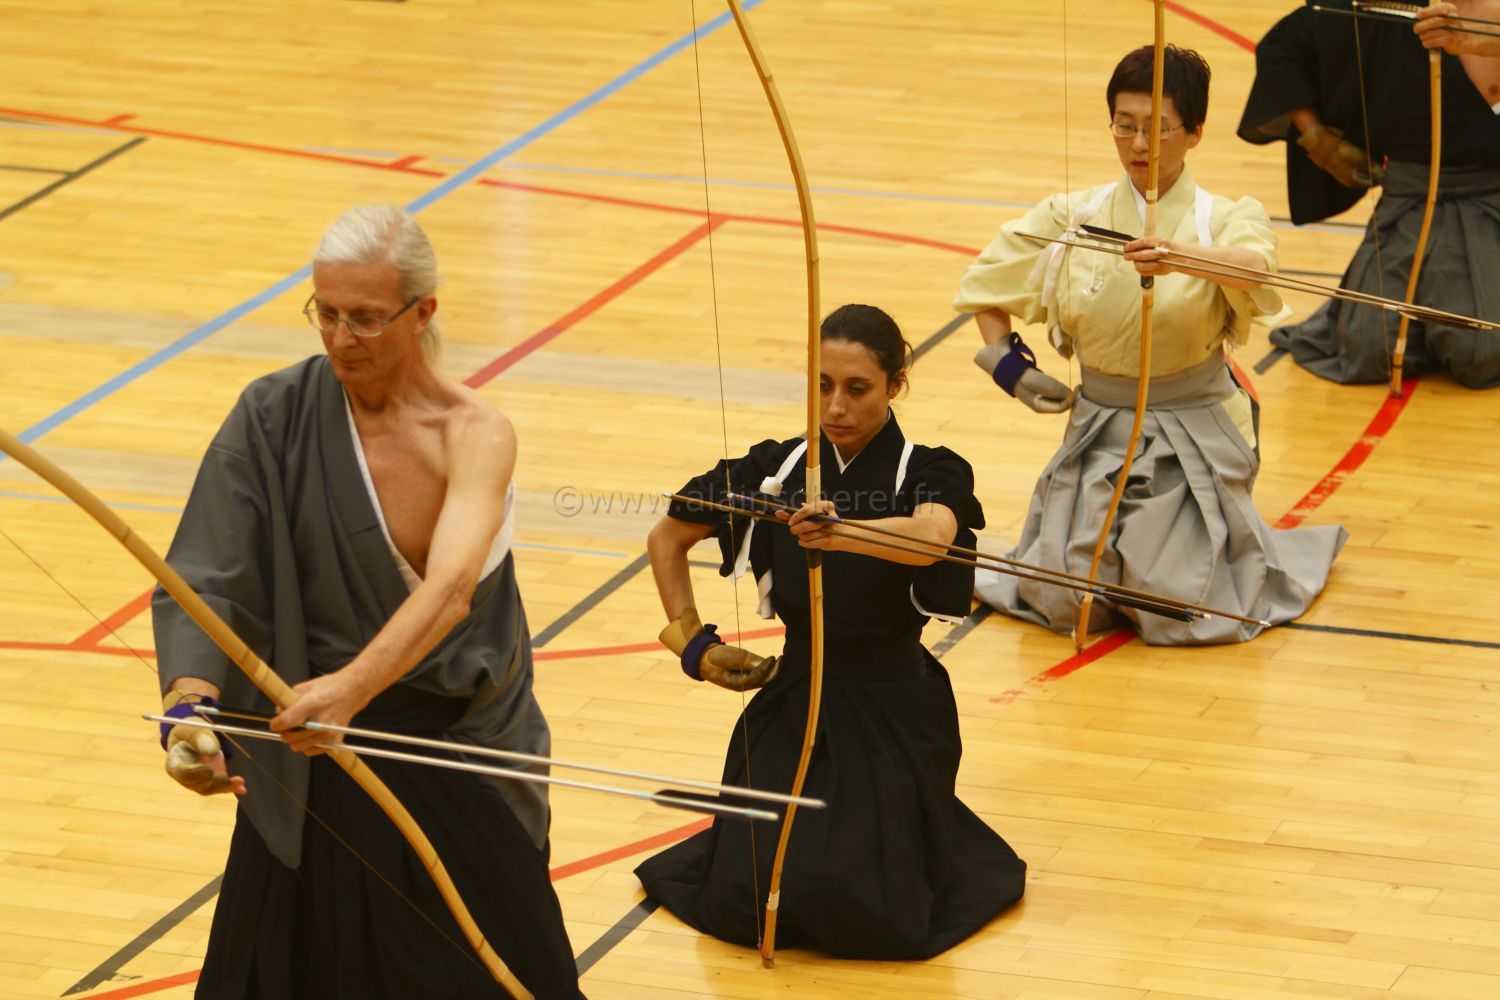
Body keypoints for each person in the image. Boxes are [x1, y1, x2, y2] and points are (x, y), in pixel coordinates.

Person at [153, 205, 585, 999]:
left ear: (423, 312)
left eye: (366, 317)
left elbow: (451, 591)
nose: (341, 338)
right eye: (325, 313)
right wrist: (190, 710)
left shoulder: (475, 433)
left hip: (446, 754)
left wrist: (349, 691)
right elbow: (208, 573)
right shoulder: (273, 414)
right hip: (308, 757)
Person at [634, 304, 1026, 959]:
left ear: (896, 384)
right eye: (821, 385)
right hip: (795, 698)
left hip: (895, 708)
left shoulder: (930, 469)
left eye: (857, 388)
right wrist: (693, 645)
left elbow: (932, 536)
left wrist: (841, 532)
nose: (835, 407)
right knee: (747, 892)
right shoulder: (774, 470)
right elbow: (666, 537)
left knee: (863, 905)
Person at [953, 44, 1347, 645]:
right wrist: (1010, 367)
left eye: (1158, 128)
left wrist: (1179, 255)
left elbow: (1255, 269)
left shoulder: (1224, 217)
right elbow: (984, 285)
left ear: (1195, 133)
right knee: (1064, 599)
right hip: (1097, 428)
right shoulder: (1072, 215)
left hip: (1191, 430)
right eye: (1125, 125)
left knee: (1173, 604)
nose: (1139, 145)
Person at [1238, 4, 1500, 388]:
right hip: (1411, 198)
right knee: (1367, 347)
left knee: (1479, 351)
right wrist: (1319, 139)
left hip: (1491, 200)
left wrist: (1481, 43)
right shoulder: (1395, 9)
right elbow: (1286, 45)